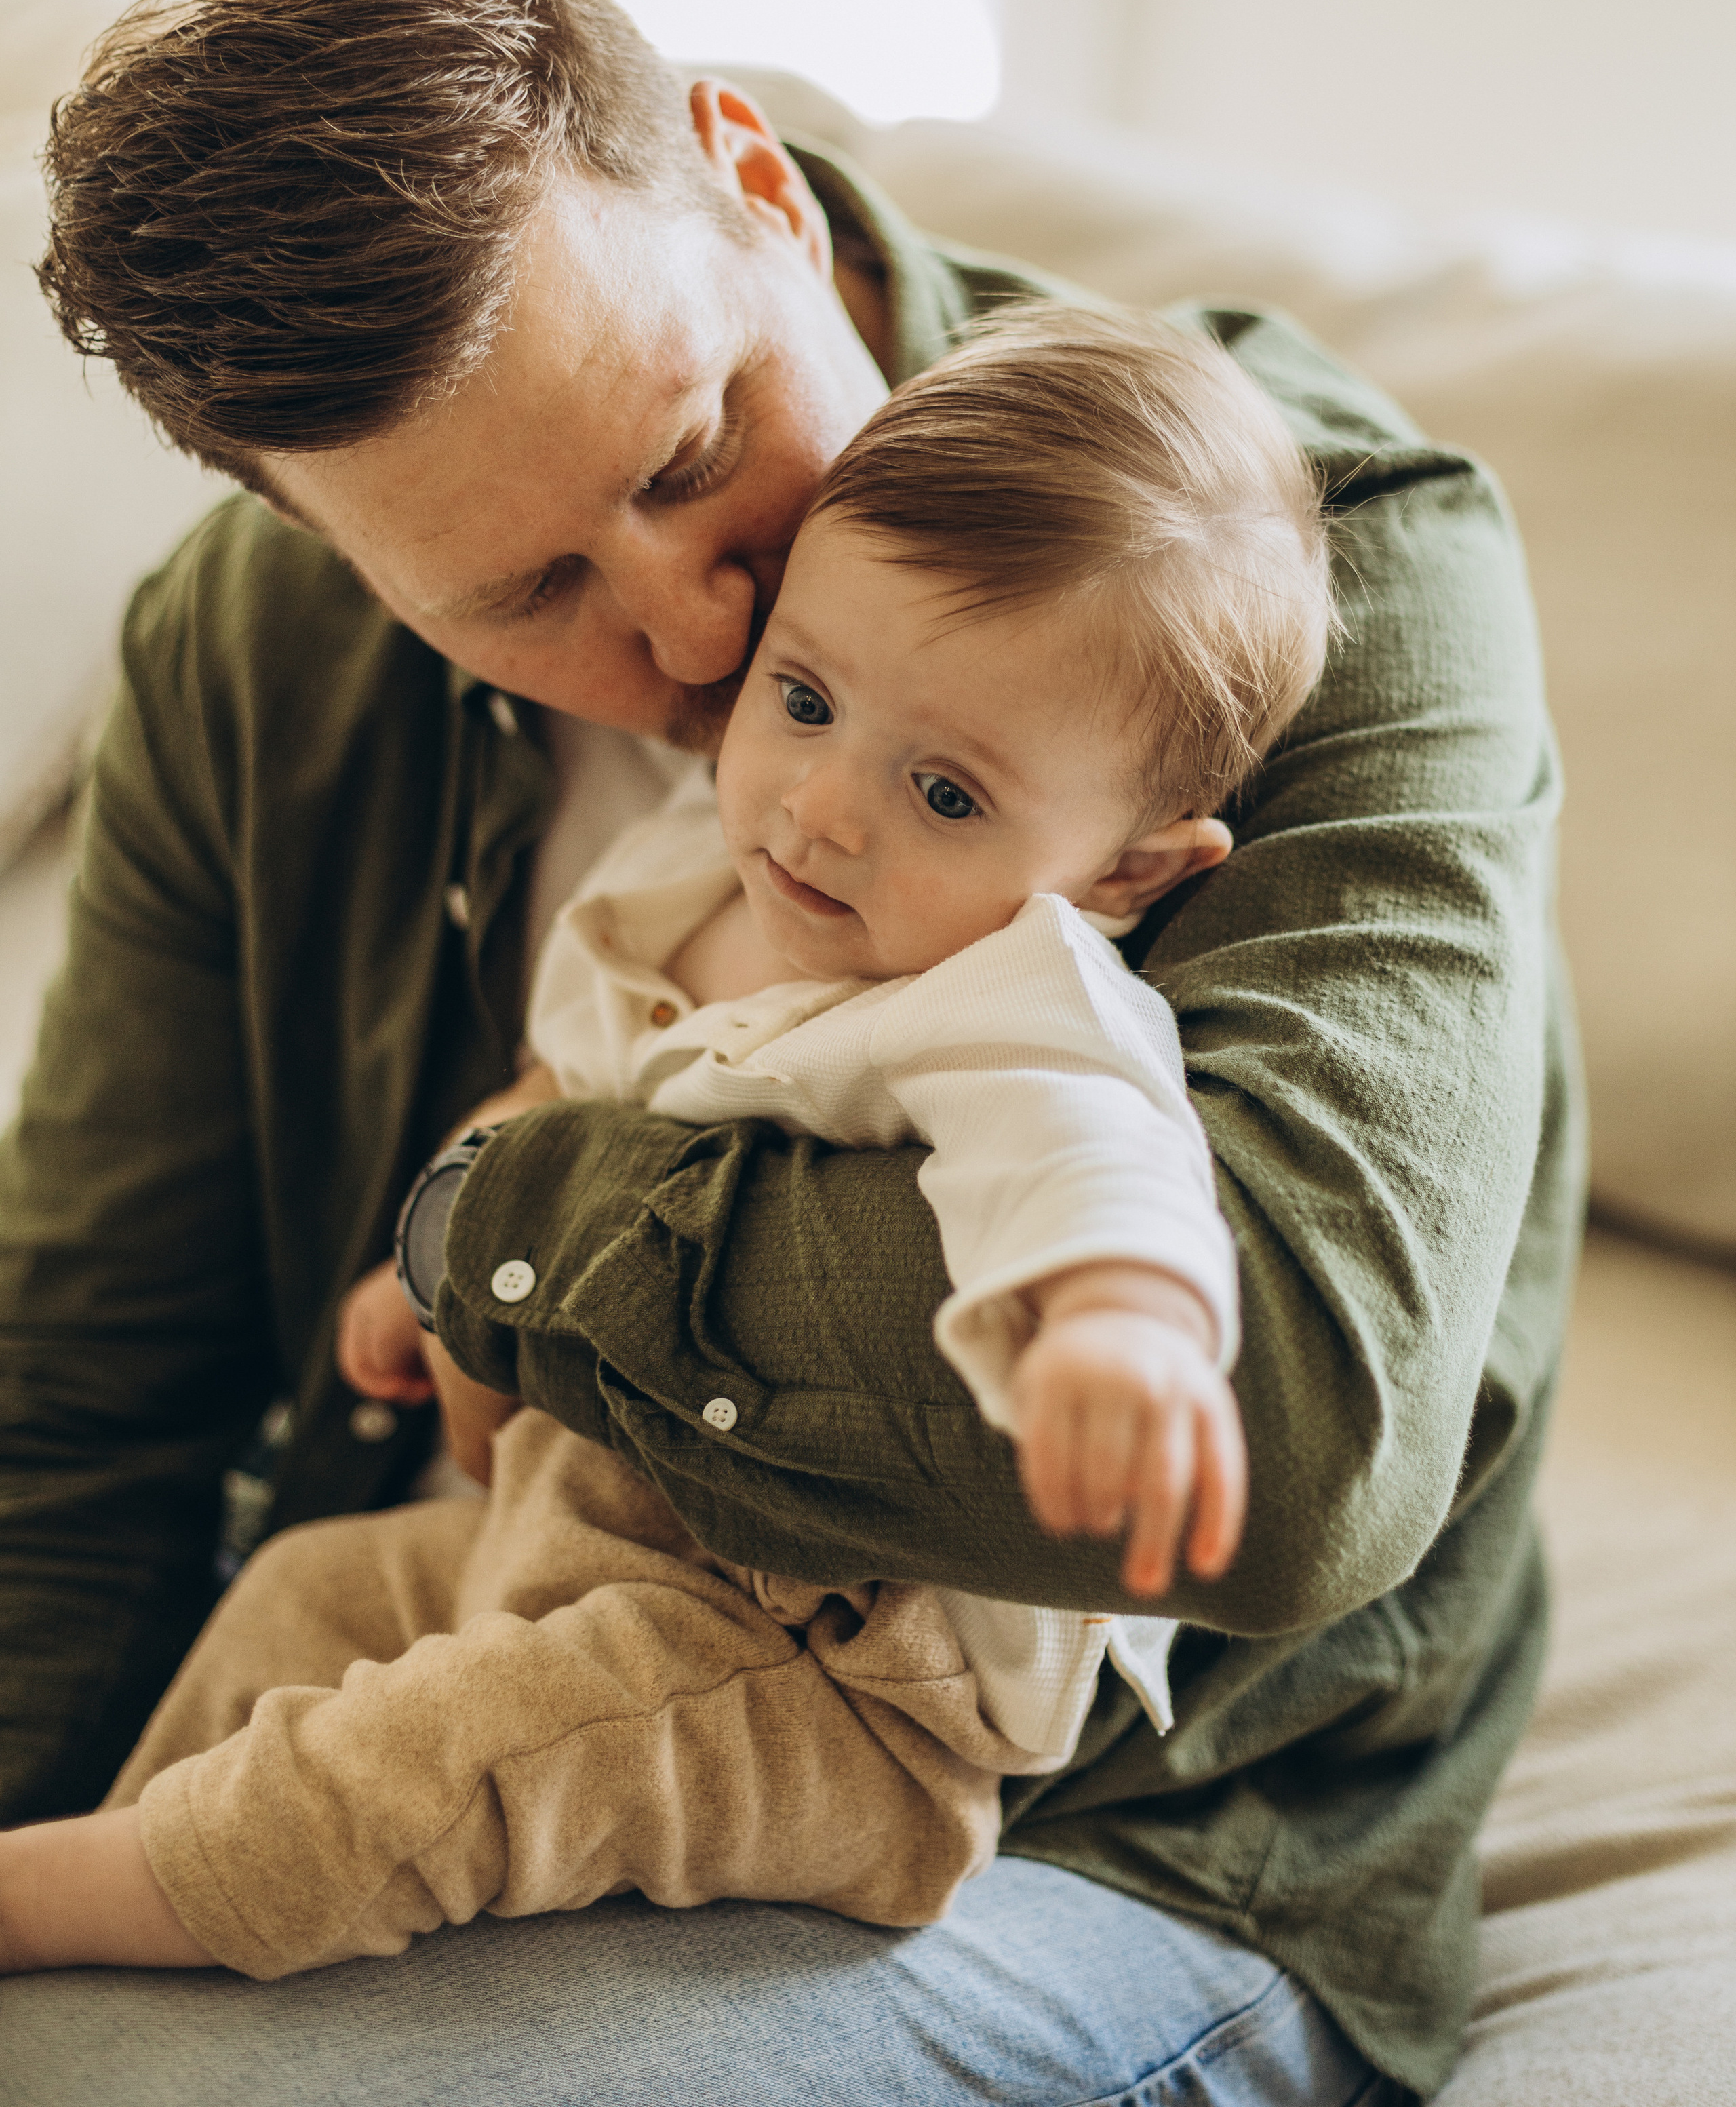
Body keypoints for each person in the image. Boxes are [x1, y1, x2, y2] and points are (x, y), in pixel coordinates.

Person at [0, 0, 1581, 2106]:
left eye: (683, 448)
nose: (688, 620)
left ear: (749, 178)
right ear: (332, 555)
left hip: (1105, 1843)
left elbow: (1296, 1440)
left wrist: (496, 1236)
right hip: (488, 1626)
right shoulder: (253, 658)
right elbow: (86, 1410)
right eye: (526, 590)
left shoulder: (1283, 560)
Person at [0, 305, 1326, 1980]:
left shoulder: (1011, 993)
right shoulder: (680, 890)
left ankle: (69, 1906)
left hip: (836, 1678)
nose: (821, 805)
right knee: (302, 1598)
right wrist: (422, 1264)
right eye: (806, 694)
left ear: (1125, 873)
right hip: (567, 1543)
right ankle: (110, 1910)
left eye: (945, 796)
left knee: (445, 1757)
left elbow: (1085, 1153)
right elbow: (563, 1085)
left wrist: (1125, 1324)